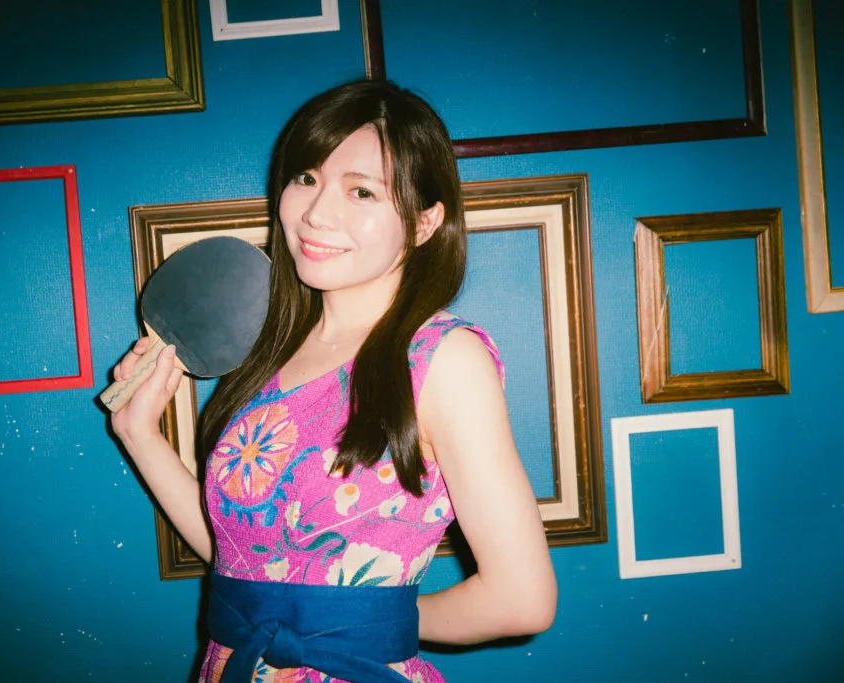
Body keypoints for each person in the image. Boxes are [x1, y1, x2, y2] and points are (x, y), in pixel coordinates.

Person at [110, 79, 557, 683]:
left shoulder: (443, 360)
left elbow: (522, 599)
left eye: (362, 191)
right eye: (306, 178)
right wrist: (139, 434)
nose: (316, 213)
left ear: (425, 222)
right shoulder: (270, 350)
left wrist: (358, 621)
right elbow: (243, 559)